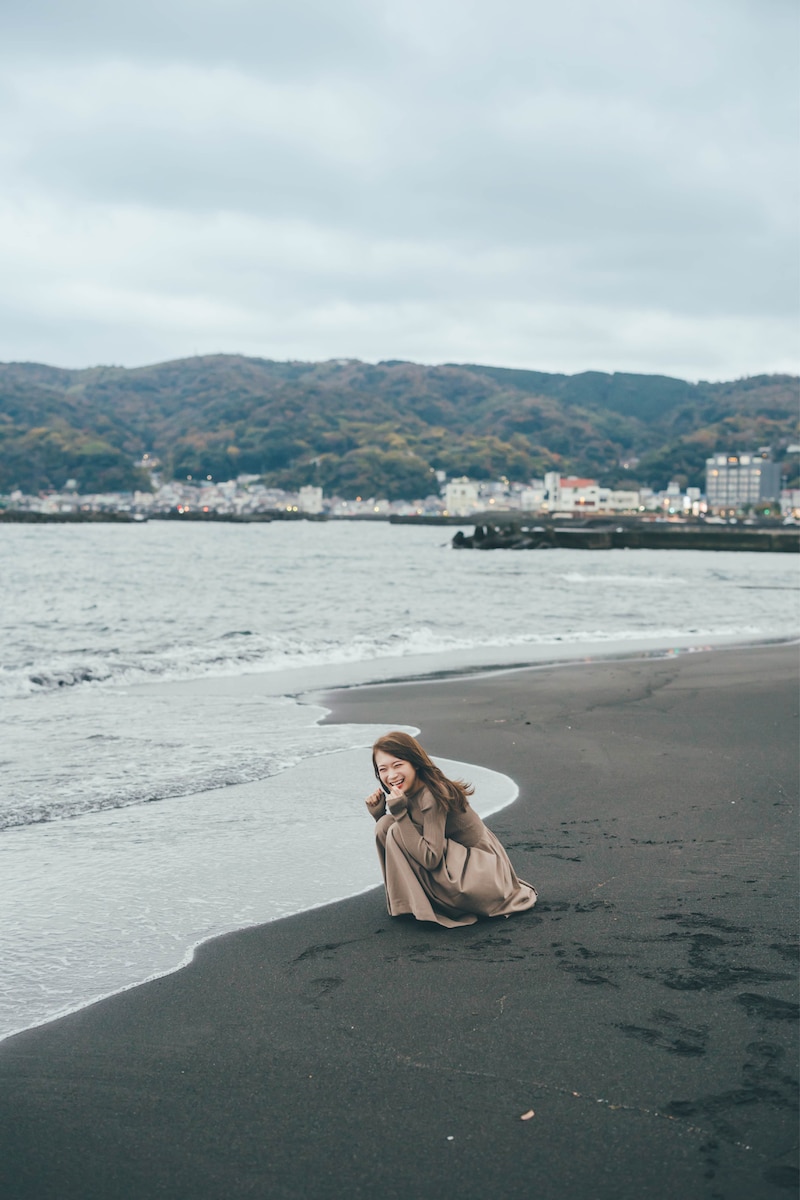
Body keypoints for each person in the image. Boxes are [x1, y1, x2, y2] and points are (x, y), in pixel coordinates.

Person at [365, 731, 537, 928]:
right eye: (383, 769)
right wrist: (380, 814)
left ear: (415, 763)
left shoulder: (431, 795)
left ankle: (430, 905)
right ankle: (405, 902)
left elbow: (430, 859)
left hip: (483, 873)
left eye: (398, 765)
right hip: (459, 864)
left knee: (395, 828)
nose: (392, 775)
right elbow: (403, 837)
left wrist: (399, 813)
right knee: (385, 826)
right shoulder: (407, 793)